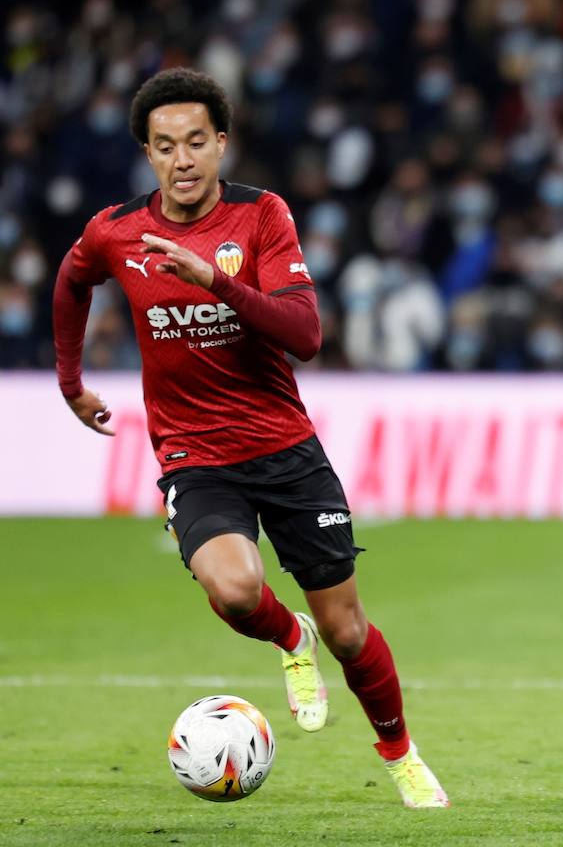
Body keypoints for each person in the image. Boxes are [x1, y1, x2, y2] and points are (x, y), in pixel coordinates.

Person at [51, 68, 448, 809]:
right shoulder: (115, 230)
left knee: (351, 633)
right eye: (165, 146)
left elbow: (307, 334)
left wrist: (218, 283)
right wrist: (71, 382)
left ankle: (400, 753)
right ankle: (287, 639)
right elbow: (73, 282)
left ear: (222, 142)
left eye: (197, 141)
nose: (183, 160)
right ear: (147, 152)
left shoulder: (261, 216)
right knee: (234, 591)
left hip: (284, 448)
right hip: (194, 453)